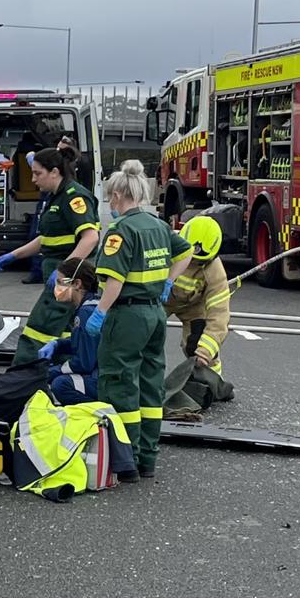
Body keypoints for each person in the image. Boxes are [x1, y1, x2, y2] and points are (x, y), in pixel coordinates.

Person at [85, 160, 193, 480]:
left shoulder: (122, 231)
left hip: (128, 314)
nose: (110, 204)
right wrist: (168, 282)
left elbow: (115, 281)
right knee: (150, 385)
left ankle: (124, 459)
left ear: (119, 194)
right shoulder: (158, 225)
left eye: (110, 198)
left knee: (119, 384)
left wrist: (100, 313)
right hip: (154, 314)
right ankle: (147, 458)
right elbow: (186, 252)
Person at [0, 146, 100, 365]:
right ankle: (63, 369)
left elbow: (90, 238)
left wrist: (64, 273)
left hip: (67, 279)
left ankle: (22, 372)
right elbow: (47, 239)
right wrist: (14, 255)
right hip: (61, 276)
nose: (33, 179)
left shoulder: (74, 197)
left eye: (37, 173)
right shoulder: (54, 198)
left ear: (54, 172)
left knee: (40, 326)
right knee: (67, 328)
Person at [164, 215, 231, 375]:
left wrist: (205, 351)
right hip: (160, 301)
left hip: (192, 307)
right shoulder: (165, 244)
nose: (190, 264)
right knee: (143, 336)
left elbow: (219, 315)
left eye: (198, 262)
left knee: (196, 344)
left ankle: (212, 383)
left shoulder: (215, 271)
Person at [37, 258, 100, 405]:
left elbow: (84, 363)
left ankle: (99, 415)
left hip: (102, 378)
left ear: (77, 284)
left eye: (60, 282)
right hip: (102, 372)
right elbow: (83, 342)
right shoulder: (90, 306)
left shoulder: (86, 313)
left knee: (61, 385)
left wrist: (54, 371)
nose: (56, 287)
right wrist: (58, 344)